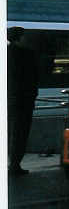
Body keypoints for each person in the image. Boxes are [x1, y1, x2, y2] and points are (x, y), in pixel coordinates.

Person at [8, 27, 39, 175]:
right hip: (23, 101)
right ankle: (14, 164)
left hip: (9, 100)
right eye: (24, 36)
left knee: (10, 132)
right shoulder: (27, 55)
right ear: (20, 38)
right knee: (20, 133)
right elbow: (32, 78)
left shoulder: (6, 53)